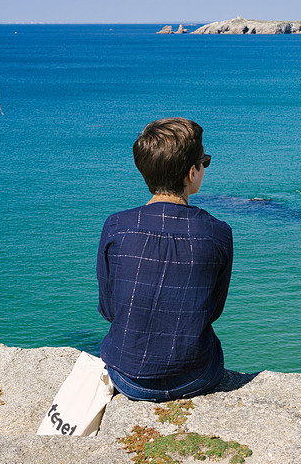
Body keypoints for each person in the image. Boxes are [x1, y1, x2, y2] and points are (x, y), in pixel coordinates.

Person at [96, 117, 233, 402]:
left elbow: (110, 310)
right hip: (195, 376)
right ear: (192, 172)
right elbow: (212, 311)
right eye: (204, 161)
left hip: (127, 376)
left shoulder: (116, 226)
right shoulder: (217, 233)